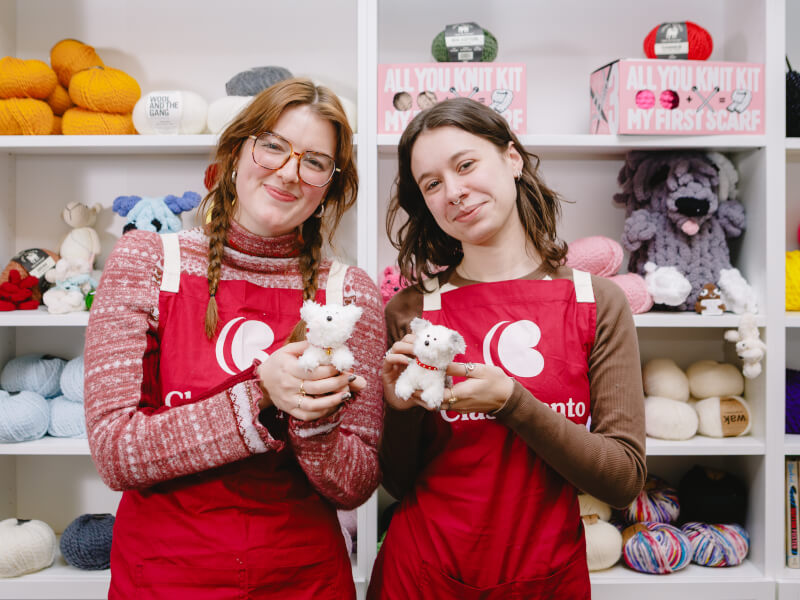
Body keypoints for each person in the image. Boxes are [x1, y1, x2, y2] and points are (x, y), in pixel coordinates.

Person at [84, 78, 385, 599]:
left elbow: (355, 486)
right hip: (165, 576)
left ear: (329, 188)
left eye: (314, 162)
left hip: (304, 580)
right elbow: (116, 454)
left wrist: (314, 420)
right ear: (237, 151)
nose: (288, 172)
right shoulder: (148, 262)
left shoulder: (349, 292)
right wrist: (261, 393)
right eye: (273, 146)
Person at [368, 97, 646, 599]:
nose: (454, 192)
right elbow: (399, 481)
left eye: (465, 165)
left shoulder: (596, 301)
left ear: (512, 159)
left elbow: (623, 480)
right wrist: (401, 409)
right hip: (423, 577)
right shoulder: (410, 310)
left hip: (547, 578)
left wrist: (512, 403)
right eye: (432, 184)